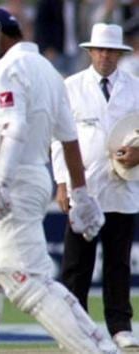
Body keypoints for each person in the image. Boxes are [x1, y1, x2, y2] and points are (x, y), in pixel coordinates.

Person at [0, 8, 118, 354]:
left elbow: (14, 127)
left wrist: (0, 180)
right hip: (28, 177)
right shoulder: (50, 72)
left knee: (28, 282)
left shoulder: (6, 70)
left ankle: (99, 350)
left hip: (11, 178)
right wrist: (82, 194)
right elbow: (68, 139)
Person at [51, 23, 139, 348]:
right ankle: (74, 327)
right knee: (77, 264)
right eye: (100, 50)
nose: (105, 56)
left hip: (122, 185)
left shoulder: (135, 87)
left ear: (119, 53)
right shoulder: (71, 87)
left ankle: (120, 326)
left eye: (111, 50)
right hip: (83, 186)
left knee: (118, 261)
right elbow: (58, 139)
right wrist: (62, 182)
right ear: (90, 52)